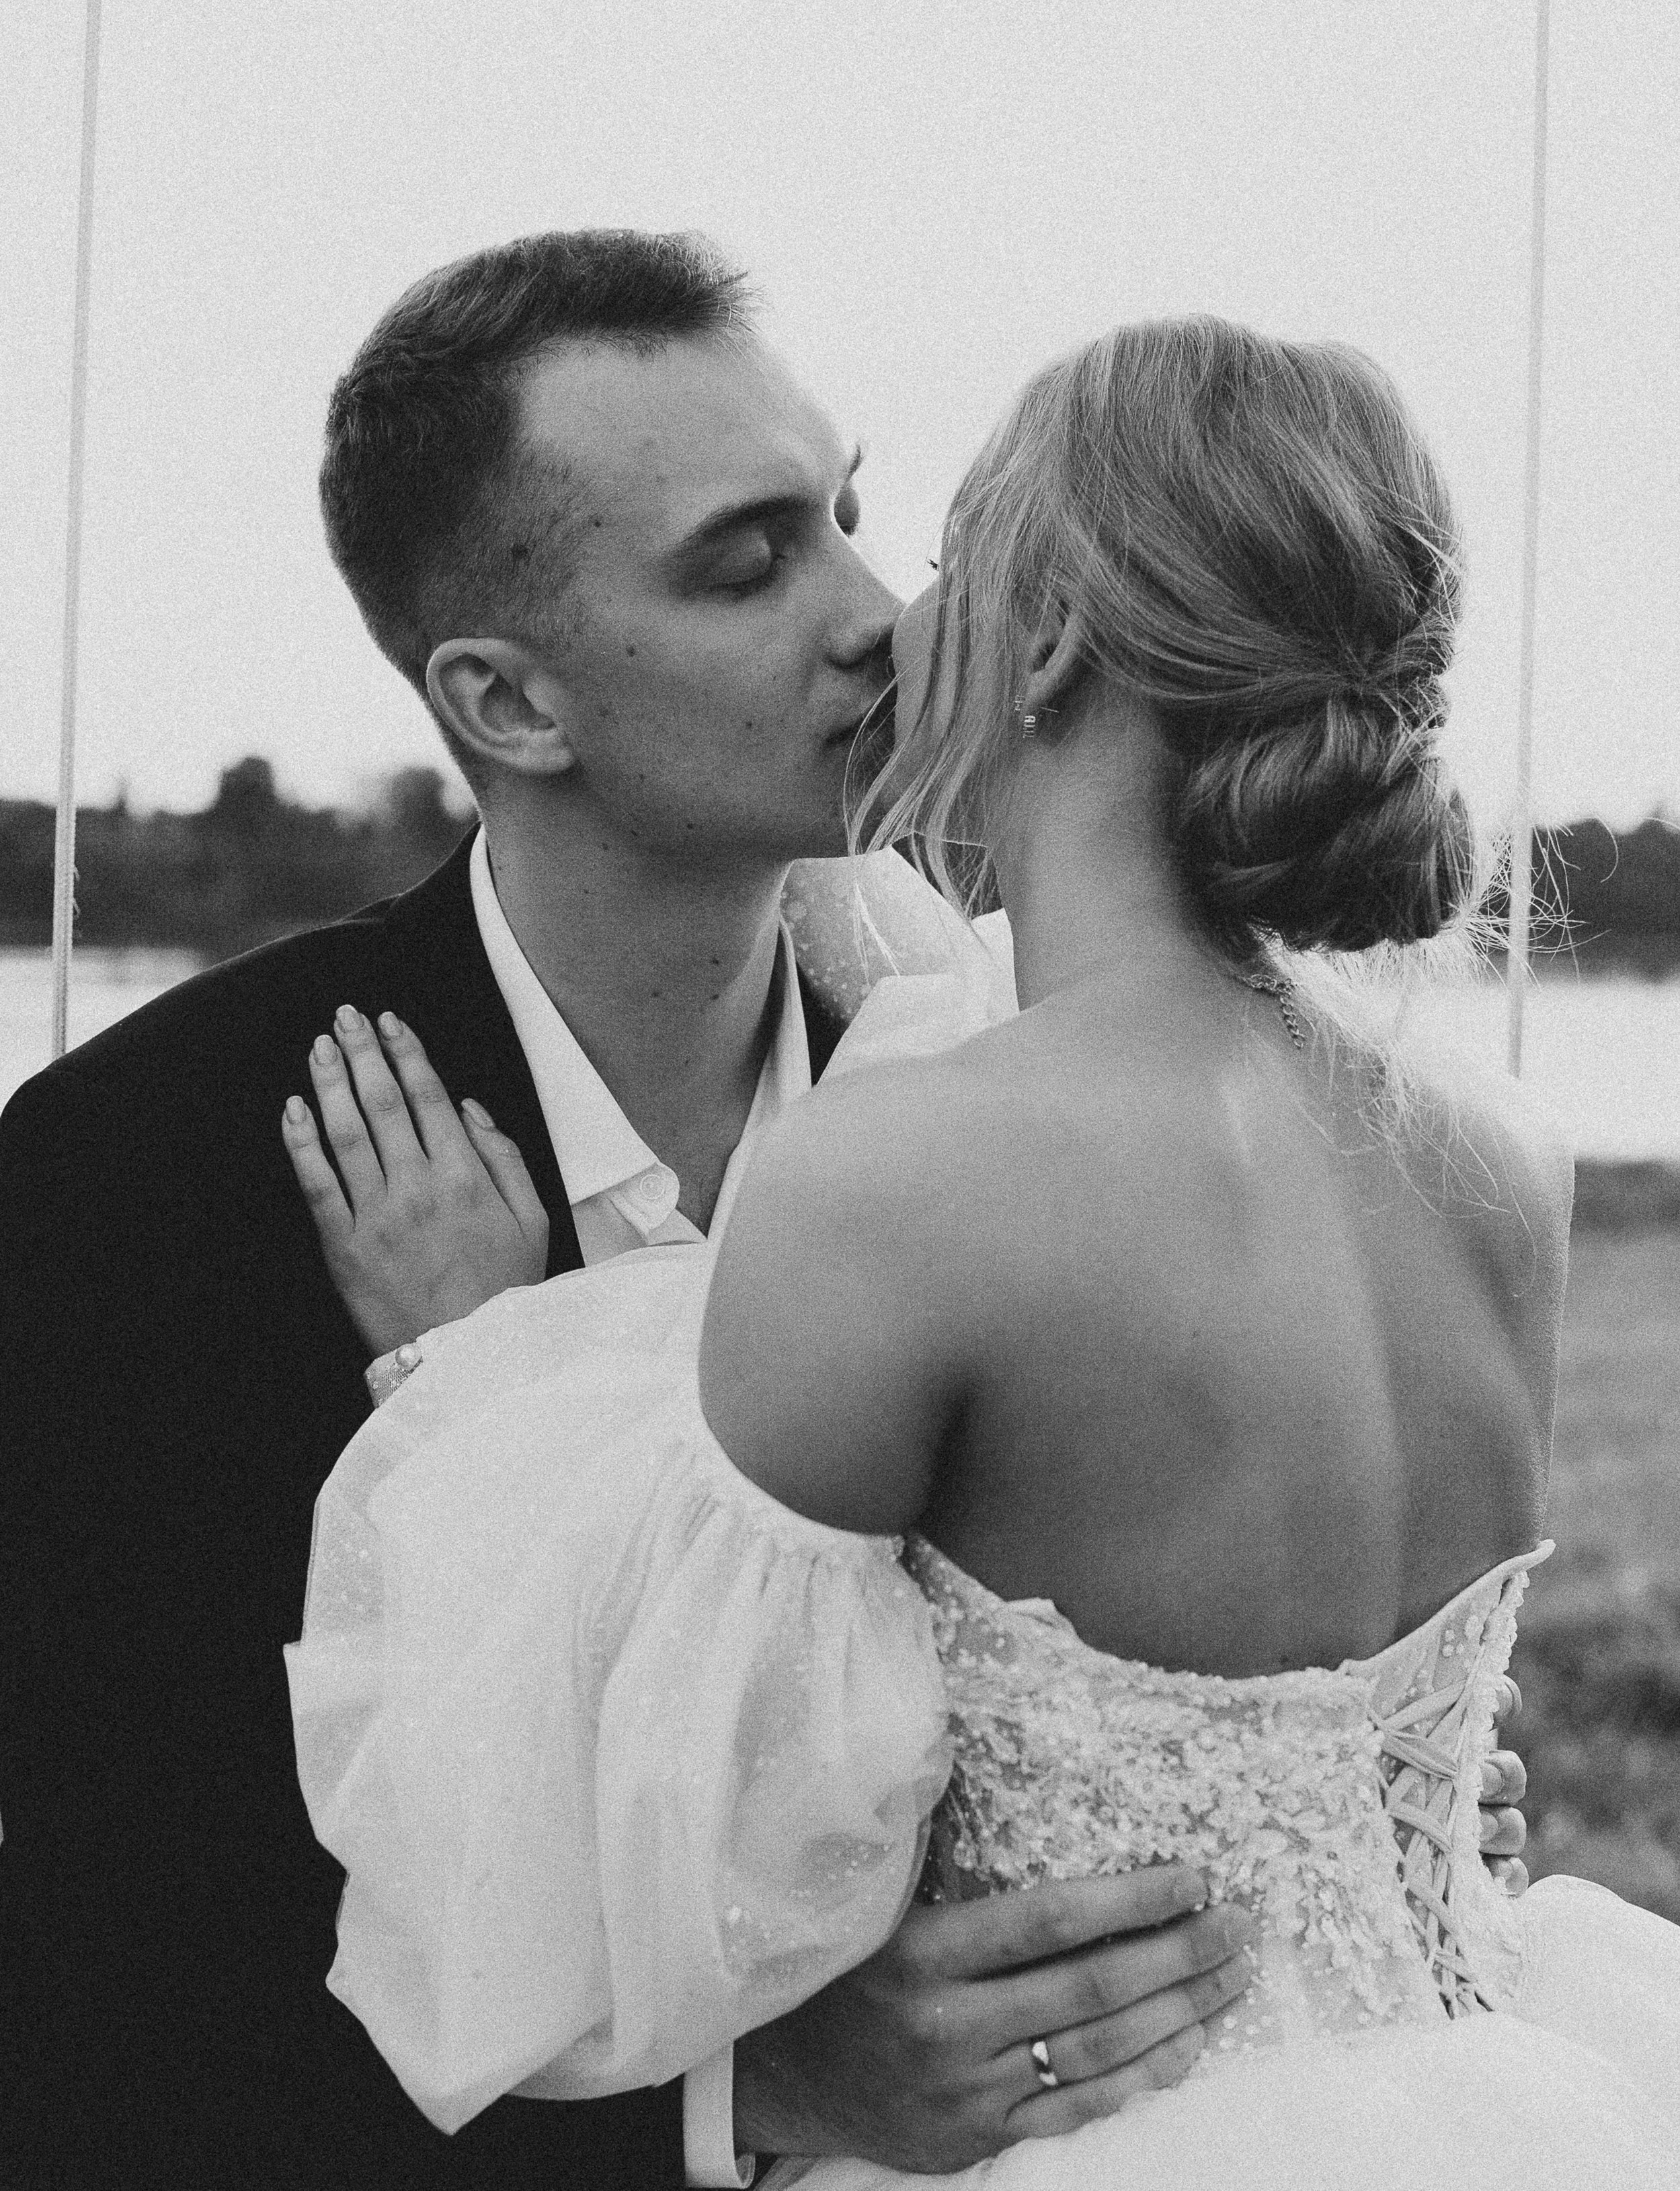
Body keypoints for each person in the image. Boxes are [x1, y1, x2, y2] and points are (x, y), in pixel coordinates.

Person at [0, 235, 1403, 2190]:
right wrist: (750, 2106)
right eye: (750, 564)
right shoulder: (127, 1186)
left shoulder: (1014, 1087)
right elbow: (92, 2022)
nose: (886, 617)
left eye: (850, 514)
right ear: (506, 698)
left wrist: (1353, 1774)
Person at [283, 314, 1680, 2187]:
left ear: (1042, 638)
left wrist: (471, 1363)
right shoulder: (1500, 1154)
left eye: (937, 545)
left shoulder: (908, 1172)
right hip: (1503, 2094)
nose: (883, 613)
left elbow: (670, 1855)